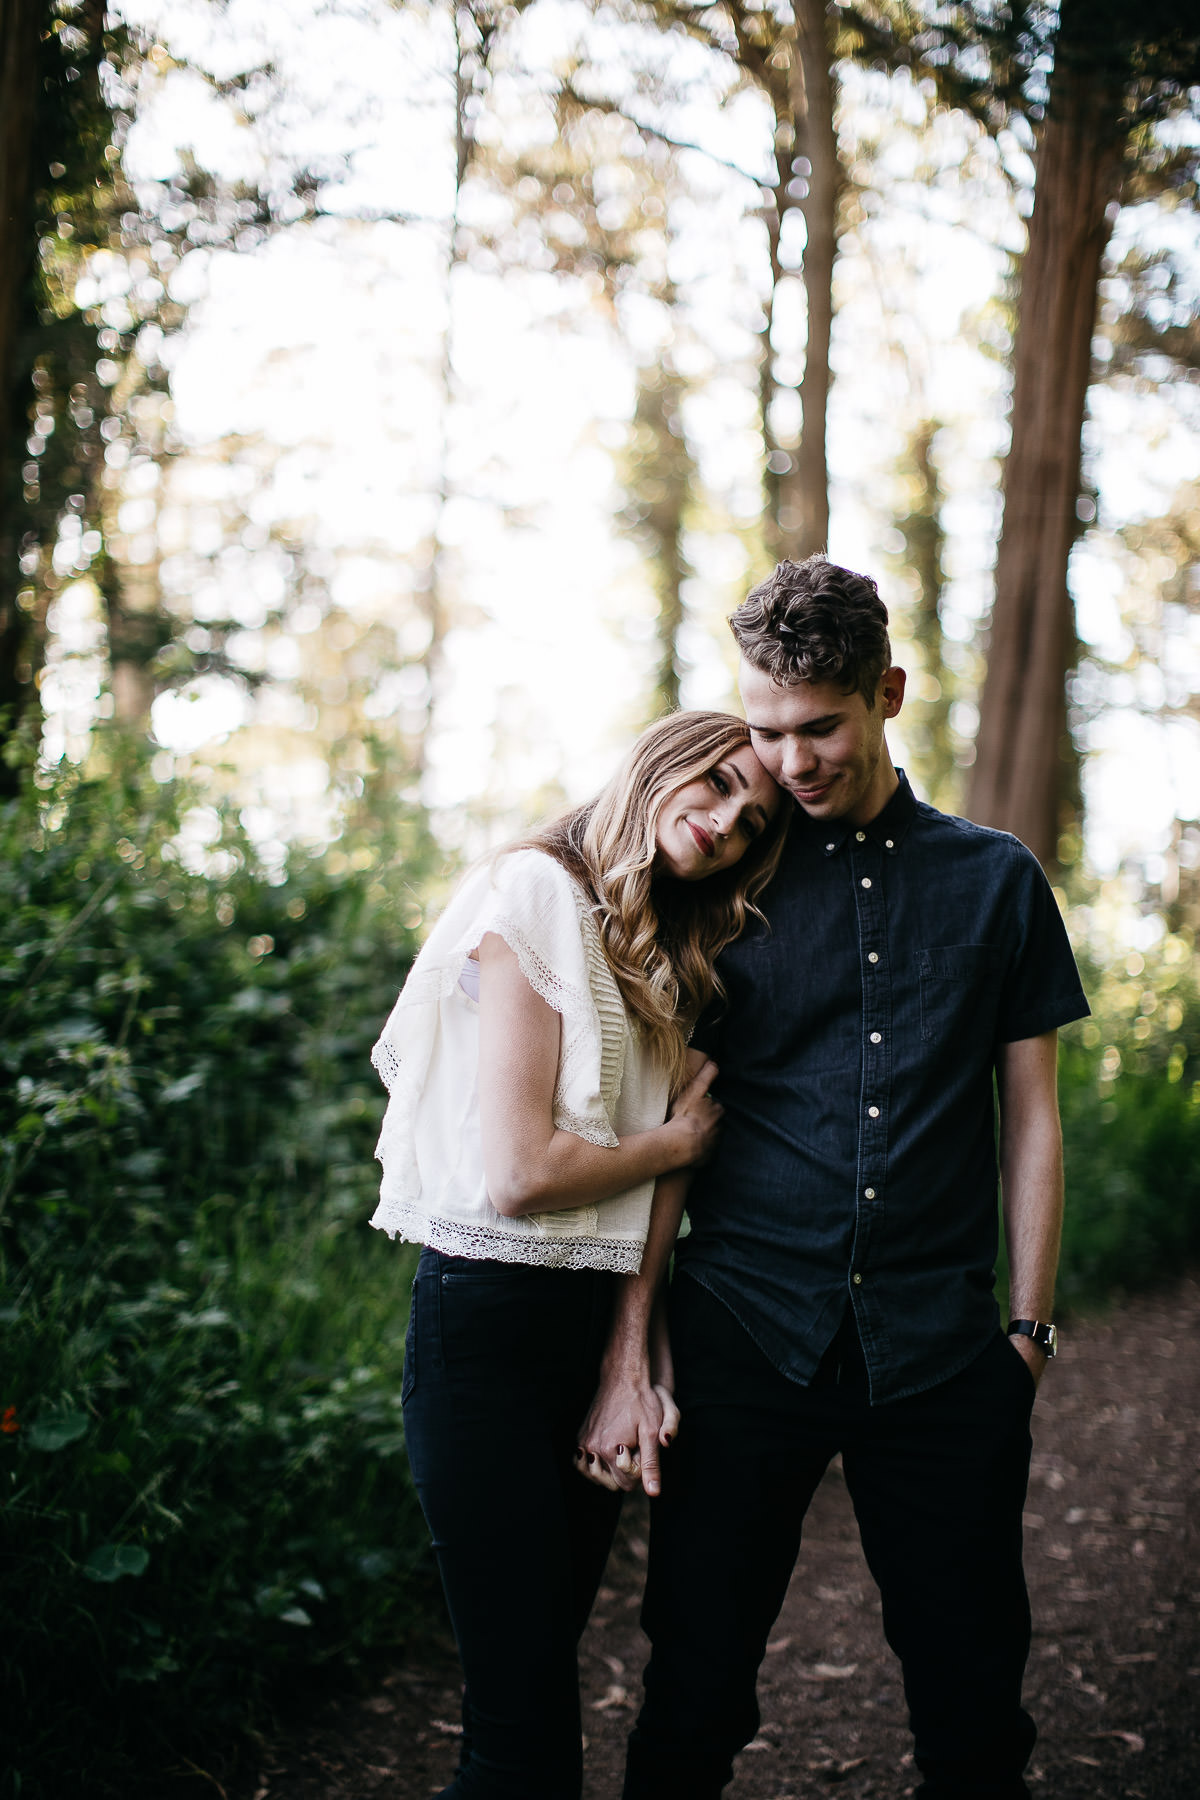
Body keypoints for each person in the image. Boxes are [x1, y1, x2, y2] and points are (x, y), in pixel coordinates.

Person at [579, 556, 1090, 1800]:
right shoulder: (726, 873)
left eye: (820, 726)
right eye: (764, 730)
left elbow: (1030, 1122)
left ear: (888, 695)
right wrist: (633, 1346)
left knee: (974, 1702)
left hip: (939, 1350)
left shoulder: (998, 881)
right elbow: (675, 1123)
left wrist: (1025, 1333)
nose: (791, 761)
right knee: (693, 1684)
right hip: (747, 1329)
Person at [369, 710, 787, 1800]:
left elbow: (651, 1193)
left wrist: (626, 1364)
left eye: (753, 822)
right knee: (524, 1742)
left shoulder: (668, 948)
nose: (730, 822)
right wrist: (676, 1141)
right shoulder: (536, 893)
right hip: (487, 1334)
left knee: (536, 1693)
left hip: (593, 1329)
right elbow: (521, 1174)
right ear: (663, 763)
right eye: (721, 784)